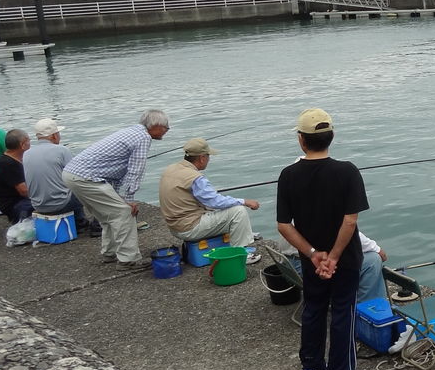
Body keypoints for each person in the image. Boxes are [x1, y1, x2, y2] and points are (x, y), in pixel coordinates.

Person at [276, 108, 371, 370]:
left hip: (311, 260)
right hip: (346, 259)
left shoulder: (288, 175)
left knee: (314, 308)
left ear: (301, 140)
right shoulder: (347, 171)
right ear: (331, 137)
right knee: (343, 310)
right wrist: (335, 256)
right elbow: (350, 220)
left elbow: (283, 225)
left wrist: (314, 253)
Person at [63, 109, 170, 268]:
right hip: (86, 178)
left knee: (108, 216)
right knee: (124, 212)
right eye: (166, 126)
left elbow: (118, 172)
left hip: (73, 174)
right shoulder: (143, 137)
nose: (167, 130)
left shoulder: (132, 131)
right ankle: (128, 259)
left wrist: (121, 196)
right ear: (156, 125)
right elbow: (135, 170)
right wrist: (129, 199)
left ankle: (110, 253)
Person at [159, 138, 261, 260]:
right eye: (208, 156)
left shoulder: (171, 169)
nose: (209, 159)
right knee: (238, 211)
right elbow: (215, 202)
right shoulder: (196, 177)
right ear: (202, 158)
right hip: (189, 228)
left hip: (175, 227)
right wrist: (245, 201)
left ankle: (244, 234)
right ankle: (241, 255)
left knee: (221, 209)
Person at [23, 118, 96, 234]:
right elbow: (75, 175)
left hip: (37, 205)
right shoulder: (62, 150)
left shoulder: (26, 154)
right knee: (84, 187)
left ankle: (78, 221)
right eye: (58, 133)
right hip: (61, 204)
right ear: (53, 136)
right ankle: (81, 222)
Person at [0, 129, 32, 223]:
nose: (30, 144)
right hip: (14, 204)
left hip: (18, 200)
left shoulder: (13, 159)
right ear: (22, 145)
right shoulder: (8, 164)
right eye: (28, 140)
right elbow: (24, 191)